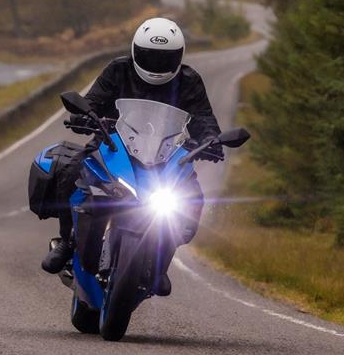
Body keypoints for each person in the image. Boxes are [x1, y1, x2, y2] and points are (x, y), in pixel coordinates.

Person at [42, 17, 223, 276]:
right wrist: (85, 116)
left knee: (190, 196)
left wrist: (211, 141)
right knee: (72, 169)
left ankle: (160, 261)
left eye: (164, 58)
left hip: (165, 153)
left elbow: (204, 118)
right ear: (135, 51)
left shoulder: (189, 81)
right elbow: (93, 100)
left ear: (179, 56)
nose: (156, 65)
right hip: (113, 144)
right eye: (149, 56)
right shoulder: (118, 70)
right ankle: (68, 242)